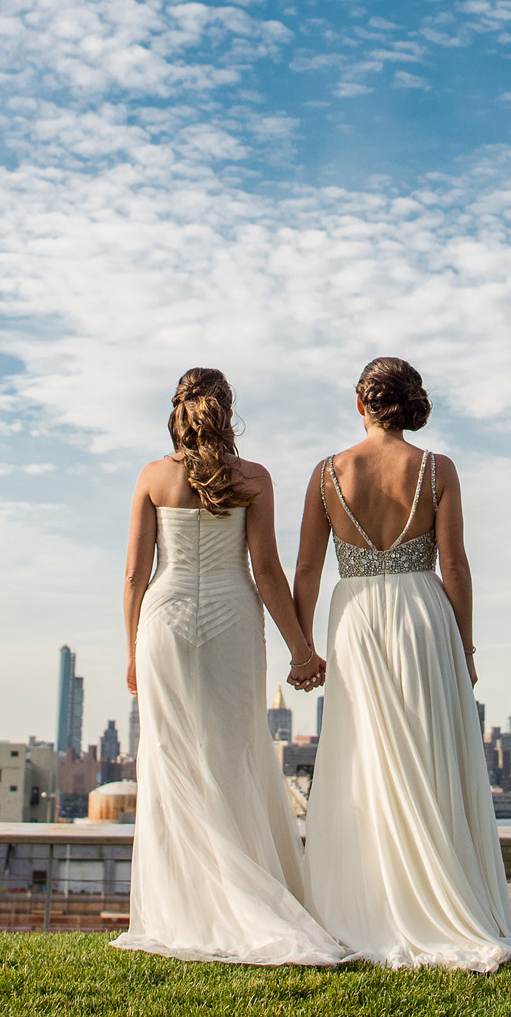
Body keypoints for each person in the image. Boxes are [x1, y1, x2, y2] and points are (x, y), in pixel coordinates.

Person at [293, 357, 511, 971]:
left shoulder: (327, 473)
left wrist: (303, 648)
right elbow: (456, 566)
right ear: (409, 405)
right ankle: (445, 900)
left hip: (355, 616)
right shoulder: (437, 468)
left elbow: (306, 570)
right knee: (429, 752)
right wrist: (465, 647)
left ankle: (369, 908)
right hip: (422, 613)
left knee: (364, 757)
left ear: (360, 404)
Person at [112, 368, 352, 965]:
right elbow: (267, 571)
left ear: (178, 411)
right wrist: (301, 651)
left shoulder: (151, 476)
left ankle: (184, 909)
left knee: (170, 759)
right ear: (226, 410)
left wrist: (130, 650)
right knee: (233, 753)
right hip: (230, 617)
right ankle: (246, 896)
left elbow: (135, 575)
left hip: (162, 623)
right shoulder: (255, 478)